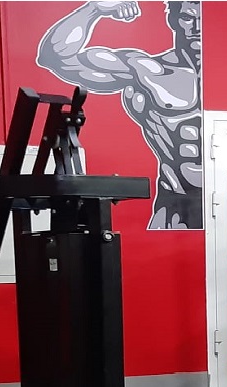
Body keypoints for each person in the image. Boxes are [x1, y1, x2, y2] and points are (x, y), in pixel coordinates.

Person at [37, 0, 203, 230]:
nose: (196, 29)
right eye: (187, 18)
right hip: (175, 205)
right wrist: (94, 9)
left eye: (201, 20)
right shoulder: (146, 70)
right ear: (172, 20)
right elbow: (55, 57)